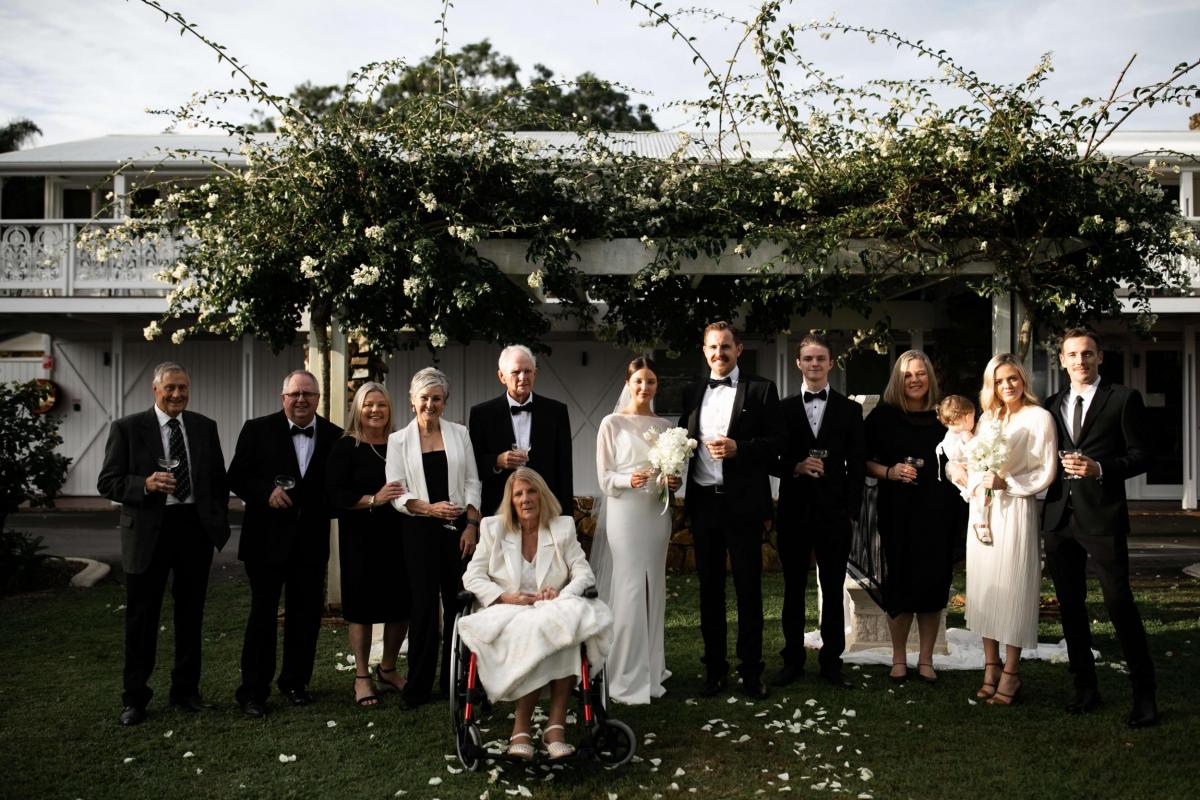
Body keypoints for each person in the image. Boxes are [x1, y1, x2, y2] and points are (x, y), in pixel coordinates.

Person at [97, 362, 230, 726]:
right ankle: (135, 699)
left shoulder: (204, 427)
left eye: (182, 388)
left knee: (190, 616)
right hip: (148, 531)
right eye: (170, 388)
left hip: (193, 530)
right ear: (155, 390)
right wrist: (144, 484)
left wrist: (215, 523)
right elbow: (107, 482)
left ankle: (186, 692)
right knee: (142, 618)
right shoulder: (127, 428)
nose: (177, 395)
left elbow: (218, 479)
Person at [1042, 328, 1157, 727]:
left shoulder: (1123, 399)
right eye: (1072, 354)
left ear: (1100, 358)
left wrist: (1101, 468)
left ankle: (1144, 694)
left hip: (1103, 516)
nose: (1080, 361)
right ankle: (1085, 687)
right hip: (1058, 518)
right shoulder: (1051, 405)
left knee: (1118, 603)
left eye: (1087, 354)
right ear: (1062, 360)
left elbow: (1143, 455)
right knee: (1071, 606)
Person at [459, 468, 612, 760]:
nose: (526, 499)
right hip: (506, 610)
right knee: (538, 629)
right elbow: (473, 577)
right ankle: (522, 727)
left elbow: (583, 573)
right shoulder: (494, 529)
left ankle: (555, 728)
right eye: (519, 494)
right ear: (511, 500)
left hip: (551, 607)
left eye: (531, 492)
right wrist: (506, 597)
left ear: (542, 496)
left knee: (564, 627)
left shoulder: (562, 527)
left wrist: (560, 593)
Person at [228, 369, 343, 717]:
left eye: (308, 394)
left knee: (305, 616)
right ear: (283, 398)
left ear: (318, 399)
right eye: (295, 394)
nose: (301, 400)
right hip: (266, 542)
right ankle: (253, 692)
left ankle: (295, 683)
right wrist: (265, 491)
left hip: (310, 544)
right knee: (262, 616)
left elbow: (336, 489)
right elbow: (236, 476)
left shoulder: (335, 437)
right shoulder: (257, 429)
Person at [678, 321, 783, 698]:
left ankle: (752, 671)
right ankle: (714, 670)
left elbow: (775, 445)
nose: (718, 353)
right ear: (704, 350)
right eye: (712, 347)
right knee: (709, 590)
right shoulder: (691, 391)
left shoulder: (761, 389)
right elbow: (682, 442)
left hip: (743, 504)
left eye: (725, 346)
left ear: (739, 348)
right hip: (704, 502)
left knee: (748, 588)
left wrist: (741, 447)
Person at [770, 334, 864, 689]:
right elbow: (771, 458)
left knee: (833, 586)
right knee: (793, 589)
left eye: (820, 359)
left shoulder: (849, 410)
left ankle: (831, 663)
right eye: (807, 358)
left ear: (830, 363)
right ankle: (792, 660)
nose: (814, 364)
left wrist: (850, 511)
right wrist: (795, 466)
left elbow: (856, 465)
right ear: (798, 363)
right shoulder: (782, 409)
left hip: (835, 514)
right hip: (794, 512)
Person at [385, 367, 481, 708]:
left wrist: (471, 524)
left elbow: (472, 482)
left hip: (458, 533)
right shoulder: (398, 441)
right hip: (418, 531)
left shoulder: (460, 434)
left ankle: (454, 682)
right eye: (423, 398)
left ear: (445, 401)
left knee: (458, 605)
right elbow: (396, 492)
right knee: (424, 609)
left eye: (436, 398)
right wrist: (428, 509)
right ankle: (419, 687)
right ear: (413, 402)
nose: (430, 404)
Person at [964, 354, 1056, 705]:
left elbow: (1045, 469)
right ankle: (991, 665)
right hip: (982, 511)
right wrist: (974, 482)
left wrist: (1008, 483)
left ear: (1023, 379)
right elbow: (973, 463)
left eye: (1013, 379)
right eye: (1000, 381)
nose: (1007, 386)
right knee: (986, 586)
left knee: (1015, 586)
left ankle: (1013, 672)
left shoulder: (1039, 418)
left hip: (1016, 507)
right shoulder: (988, 418)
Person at [863, 350, 958, 685]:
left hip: (939, 511)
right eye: (908, 375)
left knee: (932, 588)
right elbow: (863, 459)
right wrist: (889, 471)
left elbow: (966, 452)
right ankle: (899, 659)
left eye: (920, 373)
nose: (915, 379)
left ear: (929, 377)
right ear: (898, 380)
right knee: (899, 587)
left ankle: (927, 660)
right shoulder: (883, 416)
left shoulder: (945, 415)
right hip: (897, 511)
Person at [592, 355, 681, 704]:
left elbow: (669, 471)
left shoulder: (663, 425)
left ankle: (651, 666)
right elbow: (604, 478)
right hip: (626, 513)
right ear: (628, 383)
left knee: (653, 588)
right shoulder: (611, 423)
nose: (645, 387)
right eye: (639, 381)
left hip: (655, 513)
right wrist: (628, 479)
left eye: (652, 382)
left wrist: (673, 481)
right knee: (629, 589)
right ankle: (625, 673)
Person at [325, 382, 410, 707]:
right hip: (360, 537)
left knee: (400, 605)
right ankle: (362, 675)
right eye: (369, 405)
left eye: (382, 405)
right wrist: (374, 499)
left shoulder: (401, 444)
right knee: (361, 607)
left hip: (400, 535)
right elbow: (335, 493)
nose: (375, 410)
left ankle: (388, 668)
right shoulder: (346, 447)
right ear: (357, 409)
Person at [468, 344, 573, 516]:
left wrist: (566, 517)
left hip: (545, 508)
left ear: (535, 374)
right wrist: (498, 461)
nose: (523, 377)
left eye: (528, 371)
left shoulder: (556, 412)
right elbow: (473, 465)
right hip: (499, 508)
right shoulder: (482, 414)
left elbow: (565, 469)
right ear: (502, 376)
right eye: (516, 372)